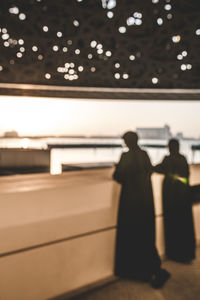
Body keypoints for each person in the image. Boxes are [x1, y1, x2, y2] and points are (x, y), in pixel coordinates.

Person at [113, 131, 170, 288]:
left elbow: (118, 176)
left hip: (130, 203)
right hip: (145, 202)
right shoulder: (144, 154)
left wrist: (116, 167)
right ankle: (147, 270)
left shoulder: (125, 156)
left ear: (128, 142)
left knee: (131, 235)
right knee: (144, 235)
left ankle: (133, 271)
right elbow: (149, 171)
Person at [154, 139, 196, 262]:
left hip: (171, 197)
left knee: (174, 225)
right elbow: (185, 176)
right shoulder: (183, 158)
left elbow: (159, 169)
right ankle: (186, 253)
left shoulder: (168, 159)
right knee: (185, 225)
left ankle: (175, 253)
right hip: (184, 196)